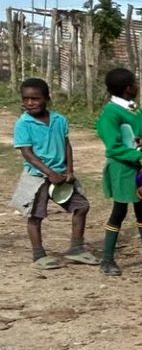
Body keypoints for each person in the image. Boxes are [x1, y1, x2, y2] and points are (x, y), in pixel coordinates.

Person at [9, 78, 94, 269]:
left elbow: (66, 144)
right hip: (37, 177)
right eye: (26, 99)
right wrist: (49, 172)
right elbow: (27, 153)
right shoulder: (24, 124)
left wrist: (69, 170)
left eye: (35, 98)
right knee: (35, 215)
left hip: (62, 176)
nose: (30, 103)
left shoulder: (59, 120)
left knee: (81, 206)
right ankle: (38, 255)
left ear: (47, 98)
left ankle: (77, 248)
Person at [94, 67, 142, 277]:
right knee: (119, 212)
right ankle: (107, 259)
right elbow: (113, 146)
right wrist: (139, 156)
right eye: (135, 82)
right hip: (123, 169)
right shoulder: (111, 113)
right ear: (129, 88)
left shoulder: (135, 109)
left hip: (141, 168)